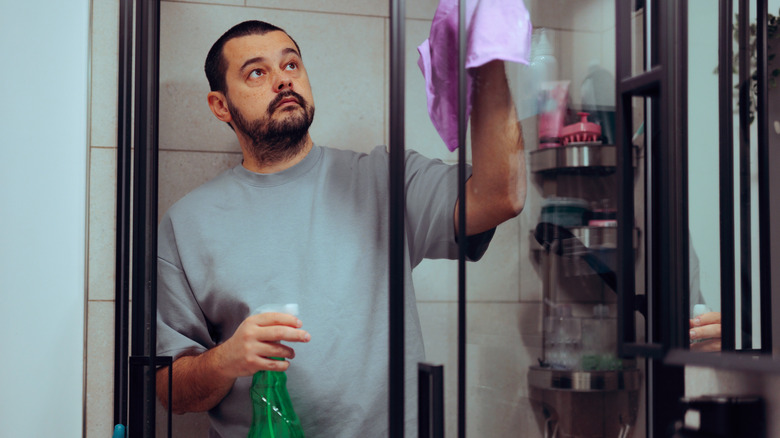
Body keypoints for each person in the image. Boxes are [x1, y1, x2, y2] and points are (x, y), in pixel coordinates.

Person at [155, 20, 525, 437]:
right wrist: (227, 360)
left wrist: (487, 59)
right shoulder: (187, 224)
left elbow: (502, 196)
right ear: (220, 106)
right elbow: (172, 391)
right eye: (257, 72)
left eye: (291, 64)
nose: (282, 80)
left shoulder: (386, 178)